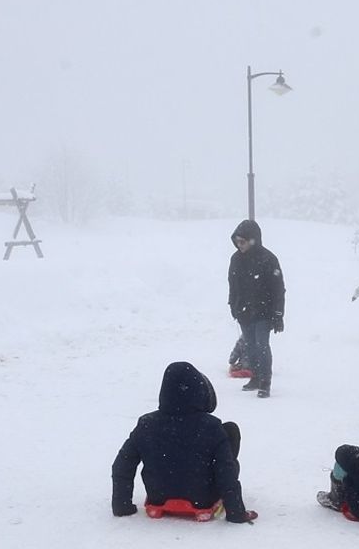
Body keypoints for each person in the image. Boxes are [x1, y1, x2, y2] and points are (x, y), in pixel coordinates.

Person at [111, 361, 258, 523]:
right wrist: (236, 512)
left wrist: (121, 505)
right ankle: (209, 494)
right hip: (203, 497)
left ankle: (169, 489)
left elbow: (122, 465)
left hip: (158, 495)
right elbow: (226, 471)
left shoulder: (147, 424)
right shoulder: (211, 427)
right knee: (230, 431)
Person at [228, 219, 285, 398]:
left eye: (243, 241)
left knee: (261, 346)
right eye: (237, 241)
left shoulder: (268, 259)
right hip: (244, 312)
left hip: (264, 312)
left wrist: (278, 314)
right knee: (250, 346)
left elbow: (278, 288)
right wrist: (233, 304)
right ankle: (255, 376)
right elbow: (232, 285)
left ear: (253, 239)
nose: (240, 245)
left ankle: (265, 382)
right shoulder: (235, 259)